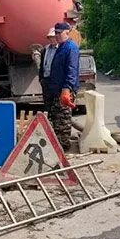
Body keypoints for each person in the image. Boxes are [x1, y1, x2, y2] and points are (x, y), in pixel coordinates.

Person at [45, 22, 79, 150]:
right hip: (56, 90)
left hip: (64, 90)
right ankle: (58, 146)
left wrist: (66, 89)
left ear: (67, 32)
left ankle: (63, 147)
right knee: (56, 118)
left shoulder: (71, 48)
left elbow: (71, 70)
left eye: (60, 33)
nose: (58, 35)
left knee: (62, 121)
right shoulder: (61, 47)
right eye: (56, 33)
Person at [38, 26, 58, 112]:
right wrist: (41, 79)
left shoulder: (61, 49)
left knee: (57, 104)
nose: (52, 39)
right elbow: (42, 65)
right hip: (46, 79)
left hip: (56, 80)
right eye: (50, 38)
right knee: (47, 103)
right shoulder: (45, 49)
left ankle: (55, 121)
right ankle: (48, 120)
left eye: (53, 37)